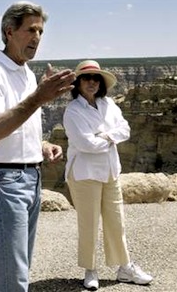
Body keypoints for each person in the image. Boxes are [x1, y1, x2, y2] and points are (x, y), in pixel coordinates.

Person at [0, 1, 75, 292]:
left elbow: (17, 124)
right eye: (31, 30)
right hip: (6, 181)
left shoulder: (27, 73)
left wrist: (41, 145)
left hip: (31, 177)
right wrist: (37, 99)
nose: (37, 37)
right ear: (9, 31)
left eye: (41, 31)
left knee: (22, 266)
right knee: (14, 273)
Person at [63, 60, 153, 290]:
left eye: (96, 79)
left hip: (111, 170)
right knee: (89, 222)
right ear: (78, 83)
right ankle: (90, 269)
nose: (91, 82)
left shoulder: (109, 104)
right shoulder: (73, 111)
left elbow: (125, 129)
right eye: (86, 78)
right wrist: (109, 138)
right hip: (84, 173)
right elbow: (85, 144)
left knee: (116, 221)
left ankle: (124, 267)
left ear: (100, 83)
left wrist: (103, 136)